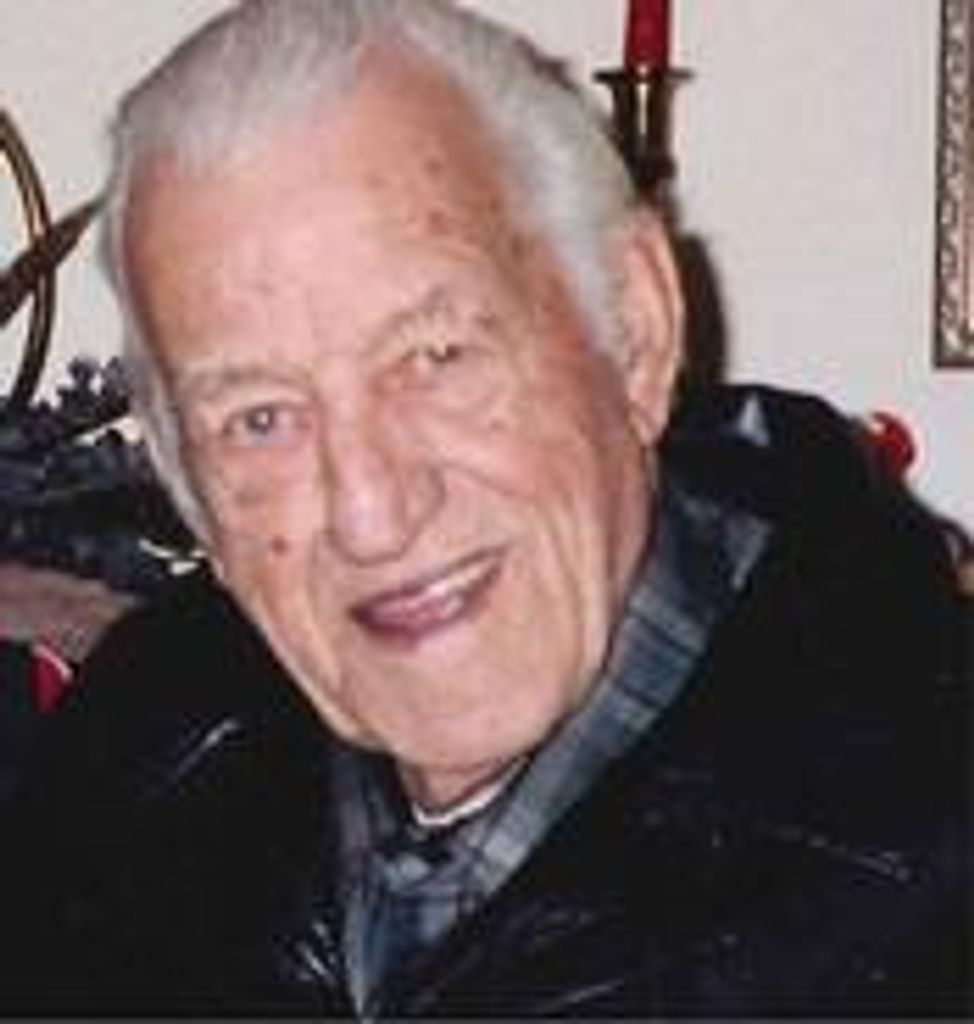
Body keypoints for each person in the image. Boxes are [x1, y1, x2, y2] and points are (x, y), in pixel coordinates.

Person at [0, 0, 968, 1016]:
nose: (371, 511)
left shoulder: (929, 863)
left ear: (634, 329)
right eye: (258, 419)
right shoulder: (119, 783)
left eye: (435, 357)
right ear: (182, 476)